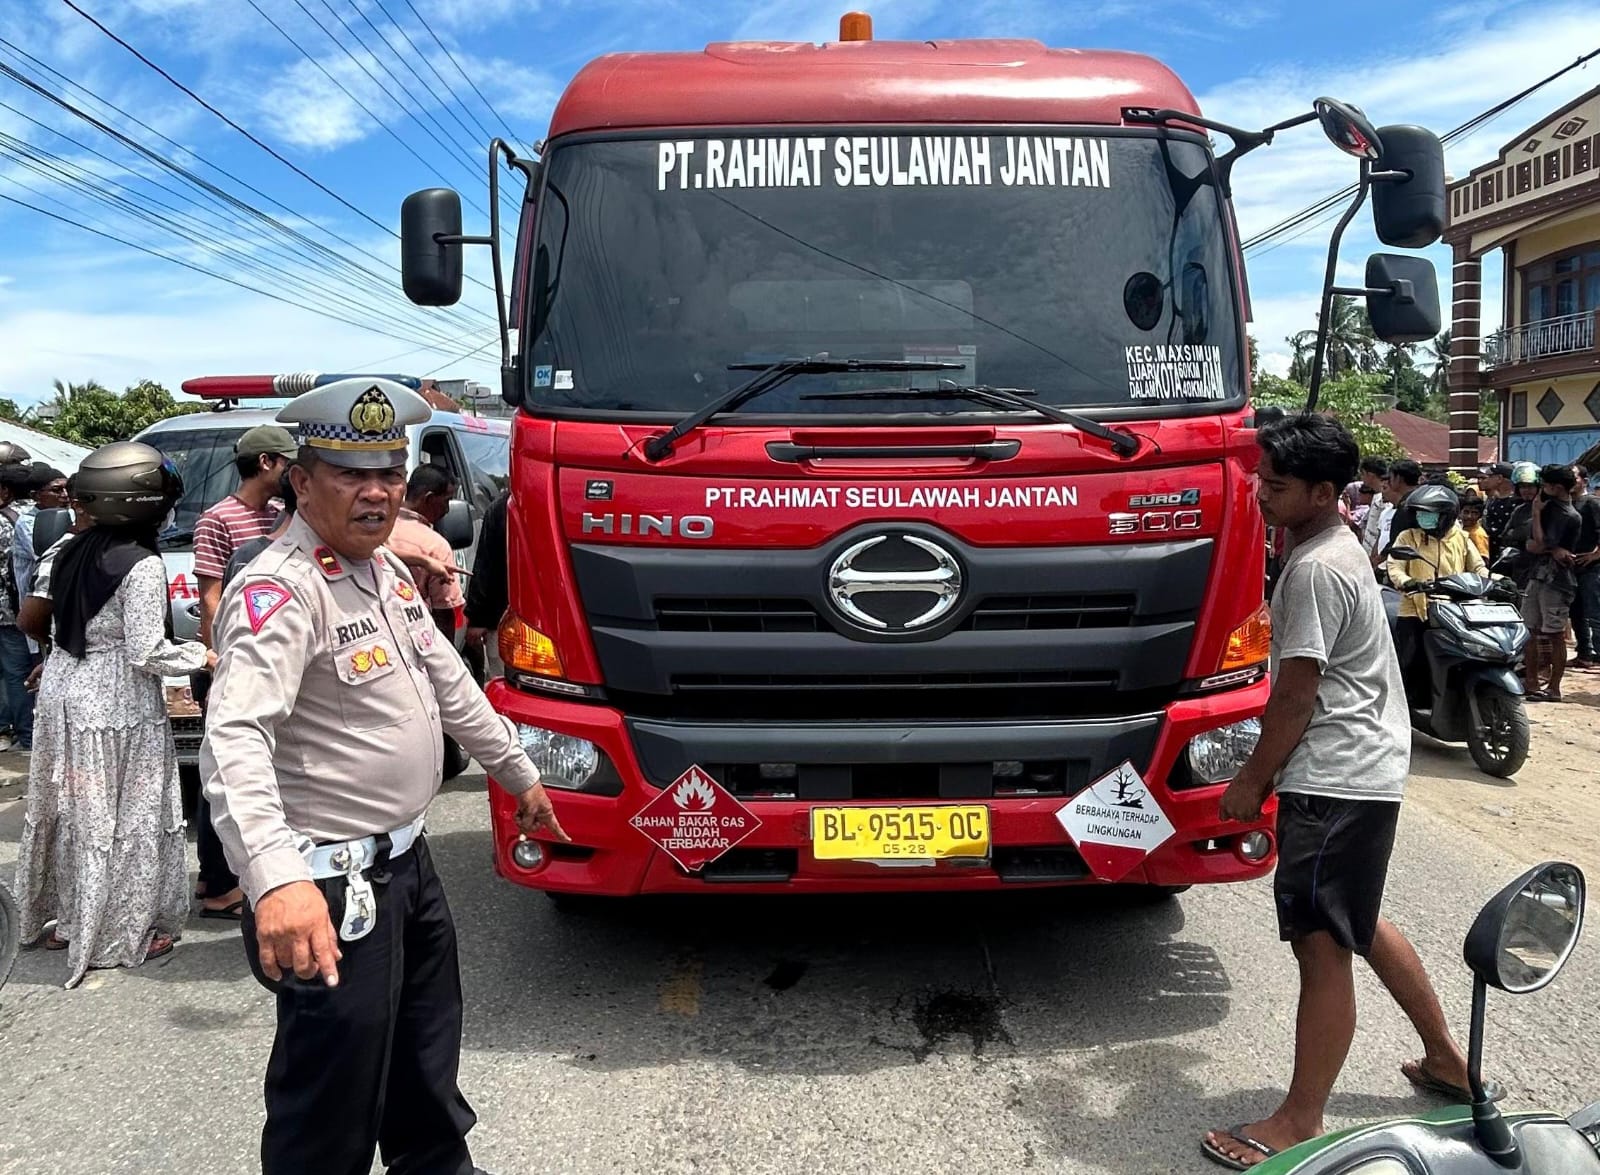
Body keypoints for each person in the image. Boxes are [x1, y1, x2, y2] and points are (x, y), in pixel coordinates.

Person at [200, 377, 567, 1175]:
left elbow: (451, 684)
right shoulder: (279, 590)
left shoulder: (383, 572)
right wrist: (275, 881)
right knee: (327, 1117)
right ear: (300, 480)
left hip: (408, 871)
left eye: (390, 473)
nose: (378, 492)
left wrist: (518, 774)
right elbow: (233, 740)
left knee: (425, 1085)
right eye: (350, 474)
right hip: (330, 887)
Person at [1202, 413, 1489, 1171]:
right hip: (1363, 770)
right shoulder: (1328, 546)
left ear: (1325, 492)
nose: (1261, 493)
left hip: (1335, 776)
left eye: (1279, 485)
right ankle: (1447, 1061)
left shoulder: (1315, 568)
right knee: (1358, 918)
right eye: (1261, 478)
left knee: (1321, 944)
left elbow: (1296, 696)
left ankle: (1300, 1118)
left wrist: (1250, 780)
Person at [13, 443, 213, 988]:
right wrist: (203, 654)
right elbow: (146, 651)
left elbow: (47, 619)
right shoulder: (143, 565)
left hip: (62, 687)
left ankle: (70, 921)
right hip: (115, 701)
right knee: (128, 816)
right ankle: (116, 930)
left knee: (75, 809)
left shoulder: (68, 547)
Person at [188, 424, 297, 920]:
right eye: (288, 463)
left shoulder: (278, 515)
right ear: (267, 463)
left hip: (276, 657)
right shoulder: (218, 520)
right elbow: (212, 597)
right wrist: (217, 659)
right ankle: (216, 879)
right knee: (228, 765)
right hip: (232, 656)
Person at [1384, 485, 1484, 703]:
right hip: (1415, 609)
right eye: (1420, 513)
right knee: (1410, 662)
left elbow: (1478, 568)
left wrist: (1497, 580)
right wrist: (1407, 582)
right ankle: (1405, 707)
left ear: (1446, 516)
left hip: (1453, 609)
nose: (1422, 518)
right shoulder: (1408, 537)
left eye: (1428, 514)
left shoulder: (1461, 538)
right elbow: (1395, 567)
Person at [1519, 463, 1582, 703]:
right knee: (1530, 630)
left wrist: (1536, 514)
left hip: (1556, 580)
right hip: (1538, 575)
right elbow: (1529, 543)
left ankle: (1554, 687)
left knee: (1554, 633)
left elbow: (1540, 542)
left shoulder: (1566, 514)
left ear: (1556, 487)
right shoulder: (1550, 507)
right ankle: (1532, 681)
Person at [386, 464, 466, 636]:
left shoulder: (374, 531)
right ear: (429, 499)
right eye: (446, 500)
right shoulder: (435, 546)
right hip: (418, 638)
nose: (447, 509)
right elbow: (444, 614)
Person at [463, 486, 509, 662]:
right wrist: (478, 619)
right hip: (504, 621)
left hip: (504, 624)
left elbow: (485, 566)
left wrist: (477, 620)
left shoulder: (501, 508)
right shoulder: (501, 509)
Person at [1570, 465, 1600, 671]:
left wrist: (1595, 555)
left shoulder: (1592, 503)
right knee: (1576, 611)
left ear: (1584, 481)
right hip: (1570, 566)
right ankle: (1584, 653)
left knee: (1594, 612)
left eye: (1573, 478)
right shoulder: (1565, 504)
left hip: (1592, 567)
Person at [1372, 458, 1422, 566]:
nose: (1389, 481)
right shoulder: (1422, 499)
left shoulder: (1407, 506)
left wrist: (1377, 561)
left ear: (1398, 479)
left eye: (1391, 477)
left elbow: (1396, 542)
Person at [1479, 462, 1517, 562]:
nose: (1488, 479)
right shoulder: (1492, 500)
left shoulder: (1515, 503)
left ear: (1500, 478)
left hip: (1507, 557)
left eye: (1491, 476)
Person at [1458, 494, 1491, 560]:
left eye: (1474, 513)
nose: (1469, 516)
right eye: (1466, 512)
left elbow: (1483, 560)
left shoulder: (1478, 534)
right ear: (1460, 512)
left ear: (1480, 516)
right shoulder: (1460, 529)